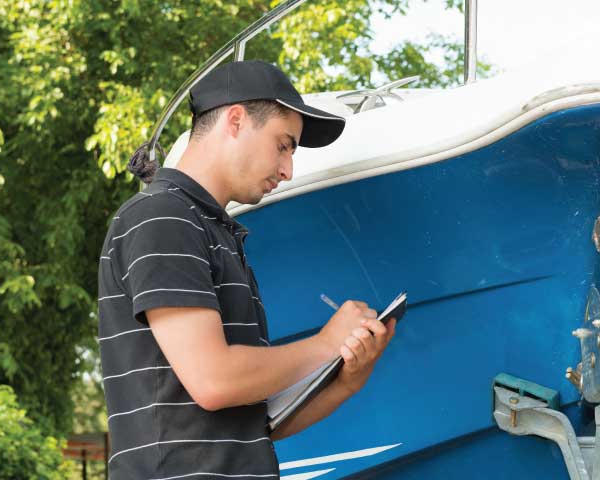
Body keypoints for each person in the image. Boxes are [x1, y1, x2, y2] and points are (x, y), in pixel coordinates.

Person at [97, 60, 397, 479]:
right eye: (283, 144)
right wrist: (326, 343)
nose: (288, 170)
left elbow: (256, 426)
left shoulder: (215, 233)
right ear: (235, 120)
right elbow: (214, 381)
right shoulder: (162, 216)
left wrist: (347, 379)